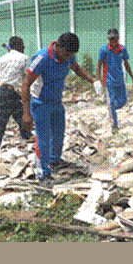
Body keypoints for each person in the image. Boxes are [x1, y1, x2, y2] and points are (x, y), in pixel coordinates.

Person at [21, 32, 100, 186]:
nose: (69, 57)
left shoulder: (68, 56)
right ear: (58, 47)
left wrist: (93, 81)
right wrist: (26, 113)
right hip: (40, 103)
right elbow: (25, 84)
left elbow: (76, 68)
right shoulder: (42, 58)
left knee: (58, 134)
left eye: (72, 55)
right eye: (67, 54)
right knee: (43, 139)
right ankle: (42, 172)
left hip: (56, 102)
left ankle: (54, 161)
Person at [0, 36, 31, 155]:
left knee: (19, 112)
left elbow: (1, 74)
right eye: (22, 44)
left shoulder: (3, 57)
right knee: (2, 118)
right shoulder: (24, 58)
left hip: (0, 87)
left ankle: (27, 135)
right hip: (9, 90)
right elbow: (27, 78)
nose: (24, 46)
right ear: (18, 45)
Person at [97, 28, 133, 132]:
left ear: (118, 38)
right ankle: (114, 124)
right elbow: (99, 65)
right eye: (110, 39)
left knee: (123, 101)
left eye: (114, 38)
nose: (112, 41)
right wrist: (98, 80)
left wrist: (132, 77)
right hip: (109, 81)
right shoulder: (104, 50)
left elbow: (126, 64)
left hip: (120, 80)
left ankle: (111, 109)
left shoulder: (122, 49)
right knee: (111, 101)